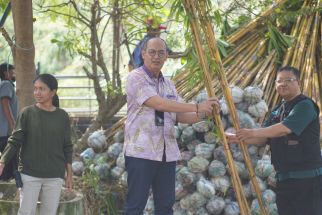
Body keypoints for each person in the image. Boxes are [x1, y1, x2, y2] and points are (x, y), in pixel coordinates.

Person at [124, 37, 220, 215]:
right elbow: (159, 104)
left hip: (166, 154)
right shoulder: (135, 77)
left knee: (165, 207)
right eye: (152, 52)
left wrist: (205, 113)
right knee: (135, 207)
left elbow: (179, 115)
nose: (156, 57)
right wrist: (197, 106)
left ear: (167, 56)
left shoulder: (168, 84)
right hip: (141, 152)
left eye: (161, 53)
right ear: (143, 54)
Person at [226, 66, 322, 215]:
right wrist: (240, 139)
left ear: (299, 82)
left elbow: (284, 128)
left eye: (288, 80)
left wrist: (251, 131)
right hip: (284, 180)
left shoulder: (305, 106)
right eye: (279, 81)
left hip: (307, 180)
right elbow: (264, 138)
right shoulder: (277, 110)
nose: (282, 84)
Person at [0, 74, 73, 215]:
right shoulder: (27, 113)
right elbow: (15, 141)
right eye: (35, 89)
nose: (37, 92)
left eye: (42, 89)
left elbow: (67, 146)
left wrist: (69, 173)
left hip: (54, 175)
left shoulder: (62, 116)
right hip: (29, 174)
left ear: (53, 92)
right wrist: (2, 162)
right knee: (26, 212)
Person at [0, 63, 18, 181]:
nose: (14, 74)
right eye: (12, 72)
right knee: (8, 160)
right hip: (5, 131)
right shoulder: (6, 84)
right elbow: (5, 104)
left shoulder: (5, 85)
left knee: (7, 160)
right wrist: (12, 124)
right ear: (6, 73)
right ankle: (5, 186)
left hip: (4, 130)